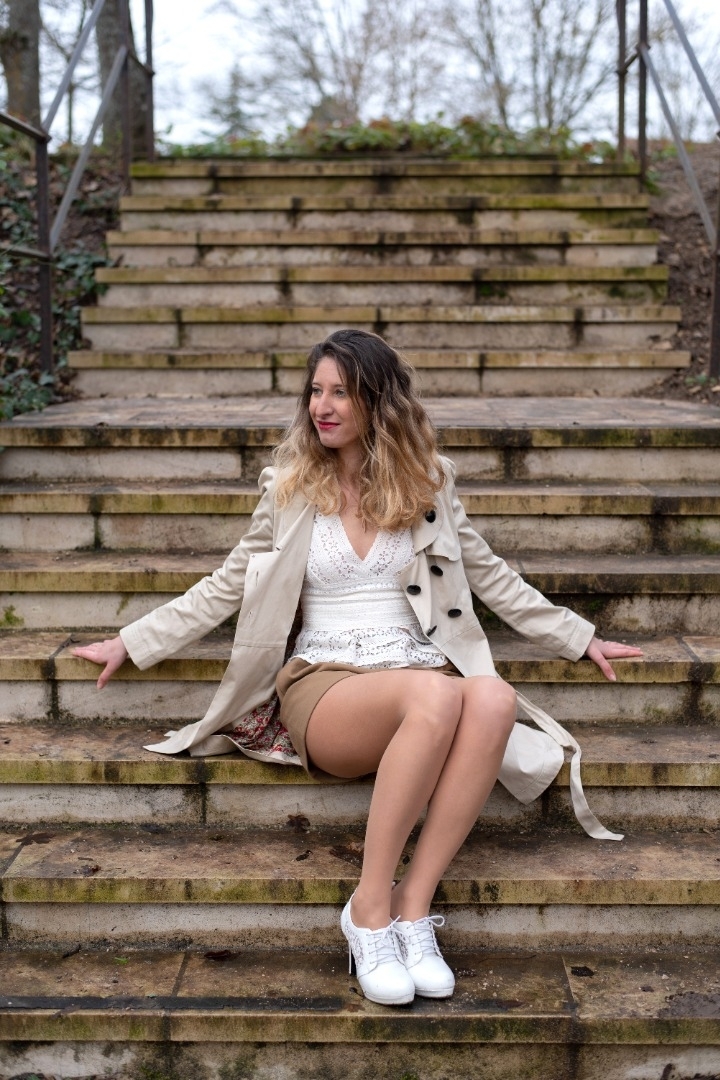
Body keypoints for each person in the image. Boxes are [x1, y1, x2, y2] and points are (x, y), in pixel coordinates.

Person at [73, 328, 642, 1008]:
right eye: (316, 391)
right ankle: (368, 911)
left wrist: (579, 636)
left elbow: (489, 572)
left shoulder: (429, 483)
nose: (323, 405)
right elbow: (228, 583)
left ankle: (412, 908)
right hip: (327, 683)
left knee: (490, 698)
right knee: (440, 697)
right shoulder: (290, 488)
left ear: (379, 401)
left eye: (341, 392)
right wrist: (133, 641)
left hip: (421, 677)